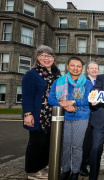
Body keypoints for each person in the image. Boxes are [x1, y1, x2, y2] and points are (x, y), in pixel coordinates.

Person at [48, 56, 93, 180]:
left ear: (82, 69)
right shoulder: (59, 81)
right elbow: (51, 99)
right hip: (63, 117)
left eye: (78, 66)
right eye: (72, 65)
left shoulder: (87, 83)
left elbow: (87, 100)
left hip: (81, 117)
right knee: (65, 145)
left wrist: (72, 102)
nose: (75, 68)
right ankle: (66, 169)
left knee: (77, 146)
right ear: (67, 67)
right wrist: (65, 105)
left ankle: (75, 171)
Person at [22, 45, 61, 179]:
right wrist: (28, 114)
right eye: (43, 55)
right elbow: (27, 96)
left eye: (49, 55)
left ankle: (43, 166)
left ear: (53, 58)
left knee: (47, 143)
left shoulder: (57, 74)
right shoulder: (31, 74)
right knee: (37, 143)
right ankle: (32, 171)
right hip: (38, 115)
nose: (46, 58)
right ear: (37, 58)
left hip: (53, 115)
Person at [80, 61, 99, 177]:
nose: (94, 70)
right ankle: (82, 166)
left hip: (98, 117)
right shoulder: (83, 82)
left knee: (94, 142)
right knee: (85, 142)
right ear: (87, 70)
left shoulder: (100, 82)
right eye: (91, 68)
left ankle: (91, 163)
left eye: (96, 68)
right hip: (86, 116)